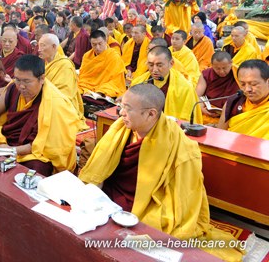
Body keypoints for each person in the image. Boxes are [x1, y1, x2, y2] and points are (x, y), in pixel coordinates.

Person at [79, 84, 243, 261]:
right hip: (115, 192)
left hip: (151, 201)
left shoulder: (179, 146)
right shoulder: (121, 128)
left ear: (151, 114)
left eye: (127, 108)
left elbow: (183, 195)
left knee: (152, 231)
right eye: (121, 106)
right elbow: (100, 167)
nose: (120, 113)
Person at [0, 55, 80, 176]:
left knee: (36, 167)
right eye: (18, 79)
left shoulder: (55, 102)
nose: (21, 86)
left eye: (27, 81)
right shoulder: (13, 88)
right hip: (7, 140)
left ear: (42, 79)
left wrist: (12, 150)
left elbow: (47, 146)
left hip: (35, 151)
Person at [131, 46, 202, 123]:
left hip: (171, 130)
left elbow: (188, 121)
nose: (154, 70)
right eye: (151, 65)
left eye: (159, 65)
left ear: (171, 63)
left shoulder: (184, 88)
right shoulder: (139, 82)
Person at [38, 34, 86, 124]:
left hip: (61, 107)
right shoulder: (42, 63)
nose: (39, 49)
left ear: (53, 47)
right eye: (39, 45)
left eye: (43, 46)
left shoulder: (65, 65)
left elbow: (66, 95)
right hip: (44, 101)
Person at [219, 59, 269, 139]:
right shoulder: (233, 102)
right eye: (242, 84)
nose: (247, 89)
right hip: (231, 150)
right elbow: (219, 135)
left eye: (253, 84)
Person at [78, 30, 126, 98]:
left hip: (106, 85)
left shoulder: (114, 56)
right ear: (91, 44)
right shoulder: (87, 56)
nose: (97, 47)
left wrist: (100, 90)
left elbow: (116, 81)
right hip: (87, 84)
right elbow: (83, 75)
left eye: (100, 44)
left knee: (107, 89)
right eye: (94, 44)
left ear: (106, 41)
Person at [196, 52, 240, 125]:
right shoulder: (206, 74)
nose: (221, 71)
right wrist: (201, 107)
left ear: (231, 63)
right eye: (217, 69)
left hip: (231, 115)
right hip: (208, 112)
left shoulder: (238, 73)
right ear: (212, 65)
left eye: (224, 68)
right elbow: (197, 95)